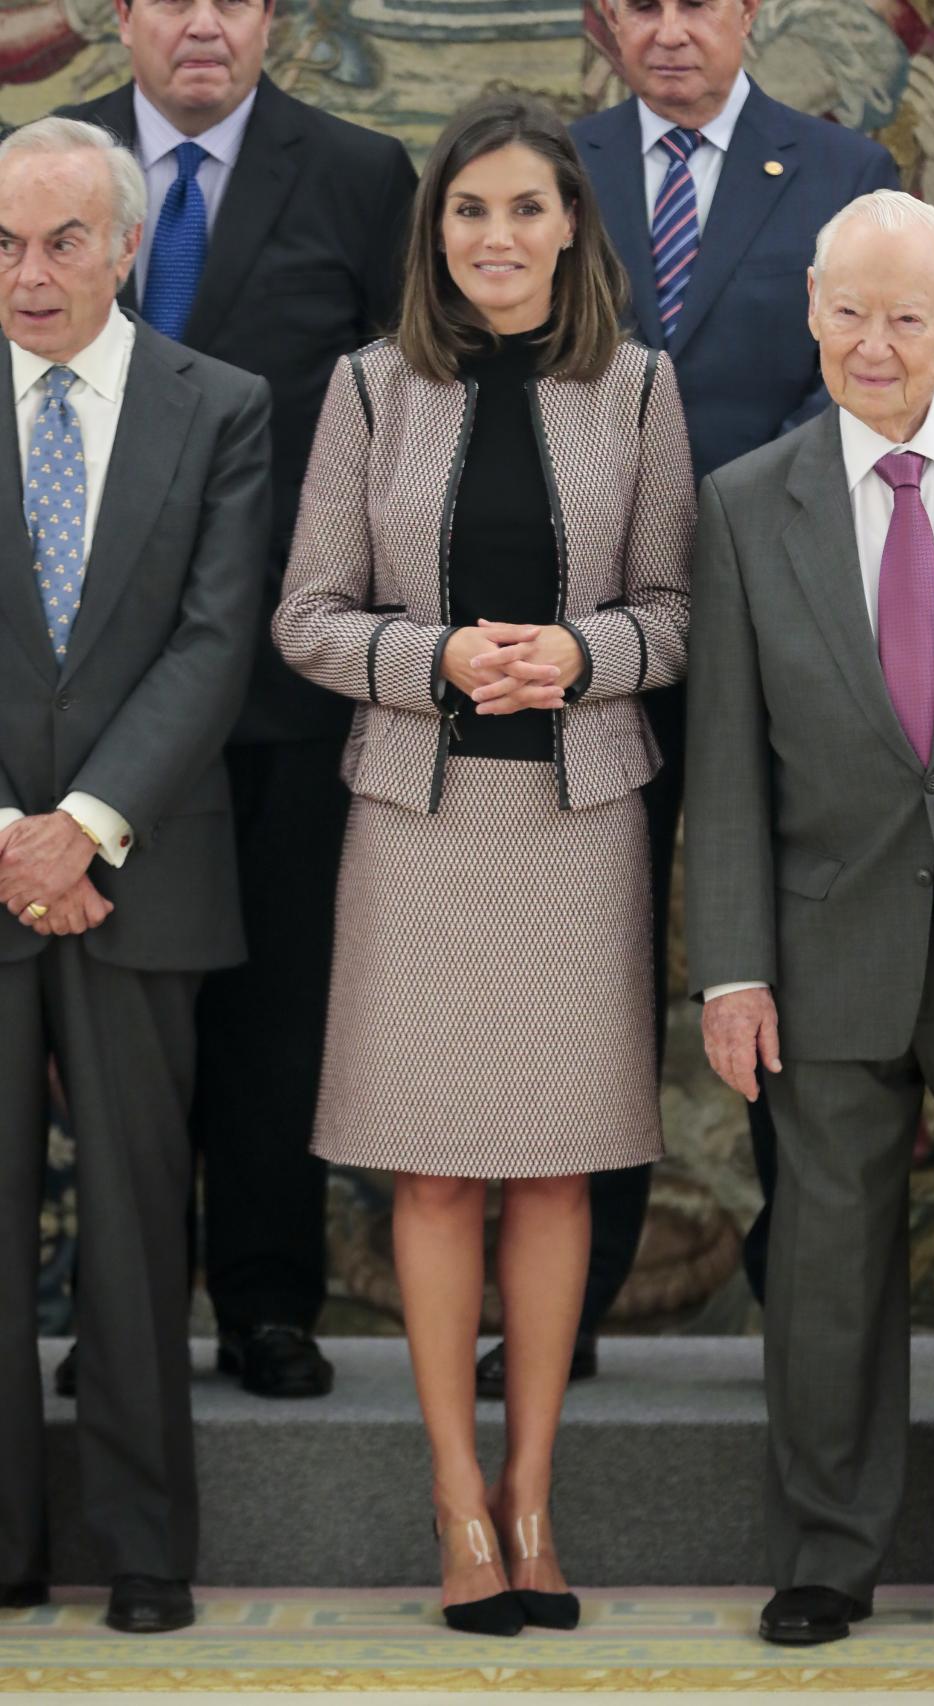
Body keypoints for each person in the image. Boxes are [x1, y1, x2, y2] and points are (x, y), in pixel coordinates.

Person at [273, 94, 694, 1634]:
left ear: (572, 227)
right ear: (433, 235)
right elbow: (308, 613)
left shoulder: (639, 390)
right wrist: (433, 653)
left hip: (578, 825)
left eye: (524, 209)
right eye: (468, 212)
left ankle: (535, 1499)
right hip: (419, 824)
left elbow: (677, 608)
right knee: (435, 1166)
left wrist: (583, 654)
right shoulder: (371, 389)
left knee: (559, 1165)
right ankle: (458, 1505)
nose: (495, 237)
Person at [498, 0, 901, 1384]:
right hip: (590, 641)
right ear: (606, 21)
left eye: (701, 2)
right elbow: (506, 375)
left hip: (792, 637)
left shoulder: (844, 174)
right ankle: (573, 1299)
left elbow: (865, 391)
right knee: (578, 976)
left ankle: (814, 1299)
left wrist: (732, 524)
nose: (670, 30)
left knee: (795, 961)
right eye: (641, 4)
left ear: (750, 13)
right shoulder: (547, 165)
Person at [55, 0, 417, 1400]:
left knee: (275, 1004)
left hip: (286, 676)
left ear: (275, 20)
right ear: (120, 19)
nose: (202, 22)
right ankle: (122, 1316)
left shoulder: (360, 174)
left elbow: (400, 405)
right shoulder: (49, 160)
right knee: (115, 1026)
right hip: (86, 689)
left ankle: (268, 1299)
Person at [0, 117, 270, 1631]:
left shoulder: (218, 405)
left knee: (138, 1216)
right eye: (1, 245)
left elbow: (216, 637)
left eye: (57, 242)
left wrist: (84, 824)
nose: (28, 275)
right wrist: (9, 837)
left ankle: (145, 1544)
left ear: (121, 247)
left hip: (140, 872)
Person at [685, 187, 934, 1646]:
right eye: (848, 310)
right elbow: (722, 762)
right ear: (809, 312)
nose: (874, 342)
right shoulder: (744, 501)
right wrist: (730, 967)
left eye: (906, 314)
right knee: (829, 1267)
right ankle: (829, 1552)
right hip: (823, 936)